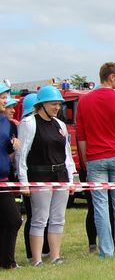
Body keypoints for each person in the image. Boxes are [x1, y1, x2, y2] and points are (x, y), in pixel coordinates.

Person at [75, 62, 115, 258]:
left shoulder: (84, 101)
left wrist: (86, 158)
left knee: (100, 206)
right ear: (111, 77)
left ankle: (106, 251)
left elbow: (81, 135)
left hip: (94, 157)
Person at [16, 86, 76, 266]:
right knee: (39, 218)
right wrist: (24, 181)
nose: (57, 107)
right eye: (53, 104)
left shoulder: (60, 125)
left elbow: (66, 154)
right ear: (41, 105)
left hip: (61, 176)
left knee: (58, 218)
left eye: (58, 104)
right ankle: (36, 259)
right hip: (39, 175)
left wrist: (71, 179)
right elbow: (22, 154)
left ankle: (55, 256)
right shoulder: (29, 123)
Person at [0, 87, 23, 269]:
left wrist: (12, 145)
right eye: (2, 97)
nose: (4, 100)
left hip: (3, 179)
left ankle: (7, 262)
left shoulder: (6, 123)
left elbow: (5, 149)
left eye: (5, 97)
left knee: (13, 220)